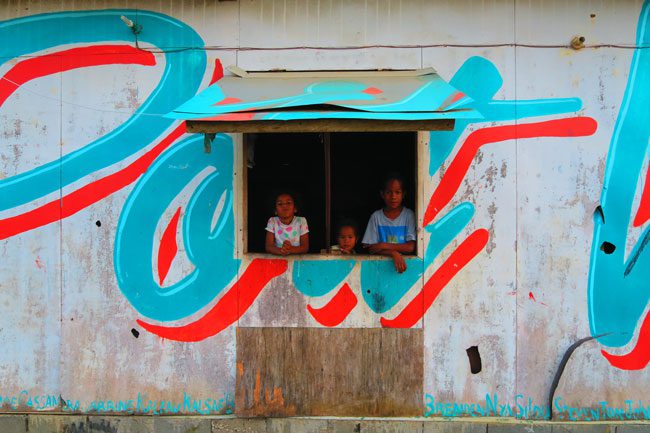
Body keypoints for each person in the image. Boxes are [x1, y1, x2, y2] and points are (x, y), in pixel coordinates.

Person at [362, 175, 416, 273]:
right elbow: (372, 249)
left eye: (397, 192)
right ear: (382, 194)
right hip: (379, 270)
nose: (393, 197)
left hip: (405, 271)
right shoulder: (376, 217)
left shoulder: (409, 215)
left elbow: (410, 247)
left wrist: (383, 245)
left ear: (403, 194)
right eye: (388, 192)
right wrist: (393, 253)